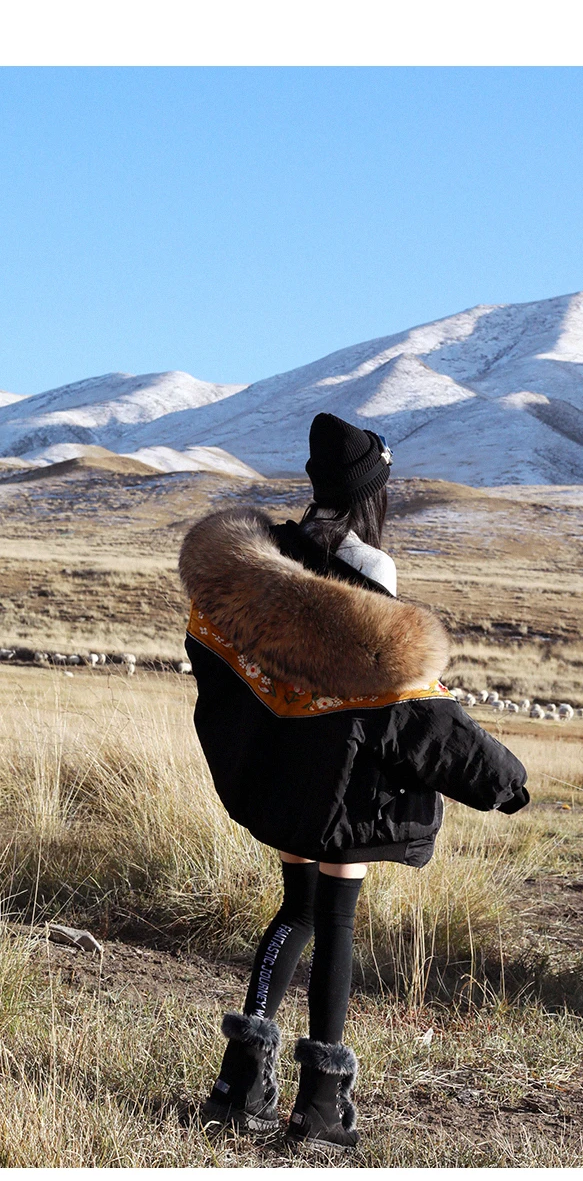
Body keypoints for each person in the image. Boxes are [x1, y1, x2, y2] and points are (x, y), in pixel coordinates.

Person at [178, 412, 529, 1152]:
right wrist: (498, 776)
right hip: (347, 782)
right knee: (335, 921)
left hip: (284, 772)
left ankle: (238, 1087)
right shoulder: (373, 569)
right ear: (375, 493)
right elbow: (407, 700)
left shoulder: (269, 552)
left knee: (291, 912)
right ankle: (320, 1109)